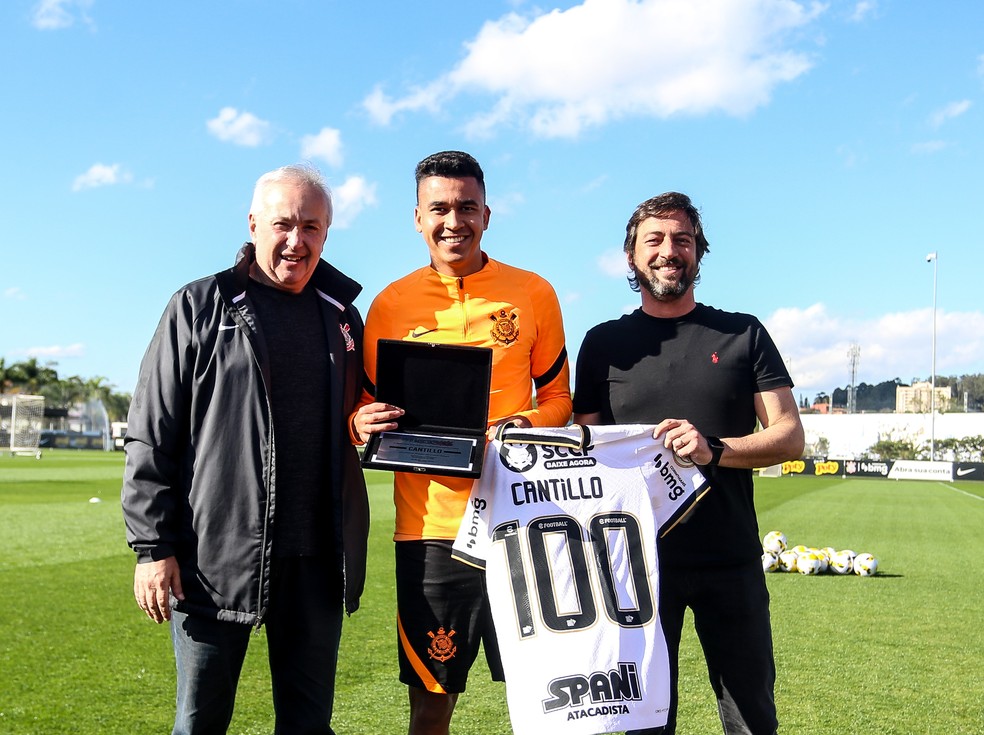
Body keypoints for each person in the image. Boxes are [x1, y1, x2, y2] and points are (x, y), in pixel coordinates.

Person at [121, 164, 369, 735]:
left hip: (315, 562)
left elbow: (354, 418)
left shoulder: (343, 317)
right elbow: (150, 432)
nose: (296, 240)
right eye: (283, 223)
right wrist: (152, 548)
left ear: (327, 233)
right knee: (200, 724)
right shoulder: (199, 306)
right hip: (213, 560)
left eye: (311, 226)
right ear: (253, 223)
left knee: (309, 727)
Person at [351, 150, 572, 735]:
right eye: (440, 209)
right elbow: (363, 409)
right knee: (431, 700)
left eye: (467, 208)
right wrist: (361, 425)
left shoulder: (533, 294)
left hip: (523, 520)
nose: (455, 221)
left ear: (488, 214)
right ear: (417, 218)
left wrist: (528, 424)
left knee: (547, 694)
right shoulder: (389, 305)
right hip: (430, 531)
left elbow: (559, 400)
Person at [572, 192, 805, 735]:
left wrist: (713, 449)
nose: (668, 251)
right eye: (653, 240)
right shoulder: (603, 343)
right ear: (631, 255)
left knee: (750, 718)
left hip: (732, 559)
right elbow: (584, 449)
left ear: (699, 251)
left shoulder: (743, 332)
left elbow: (789, 436)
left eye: (682, 239)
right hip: (636, 568)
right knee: (644, 723)